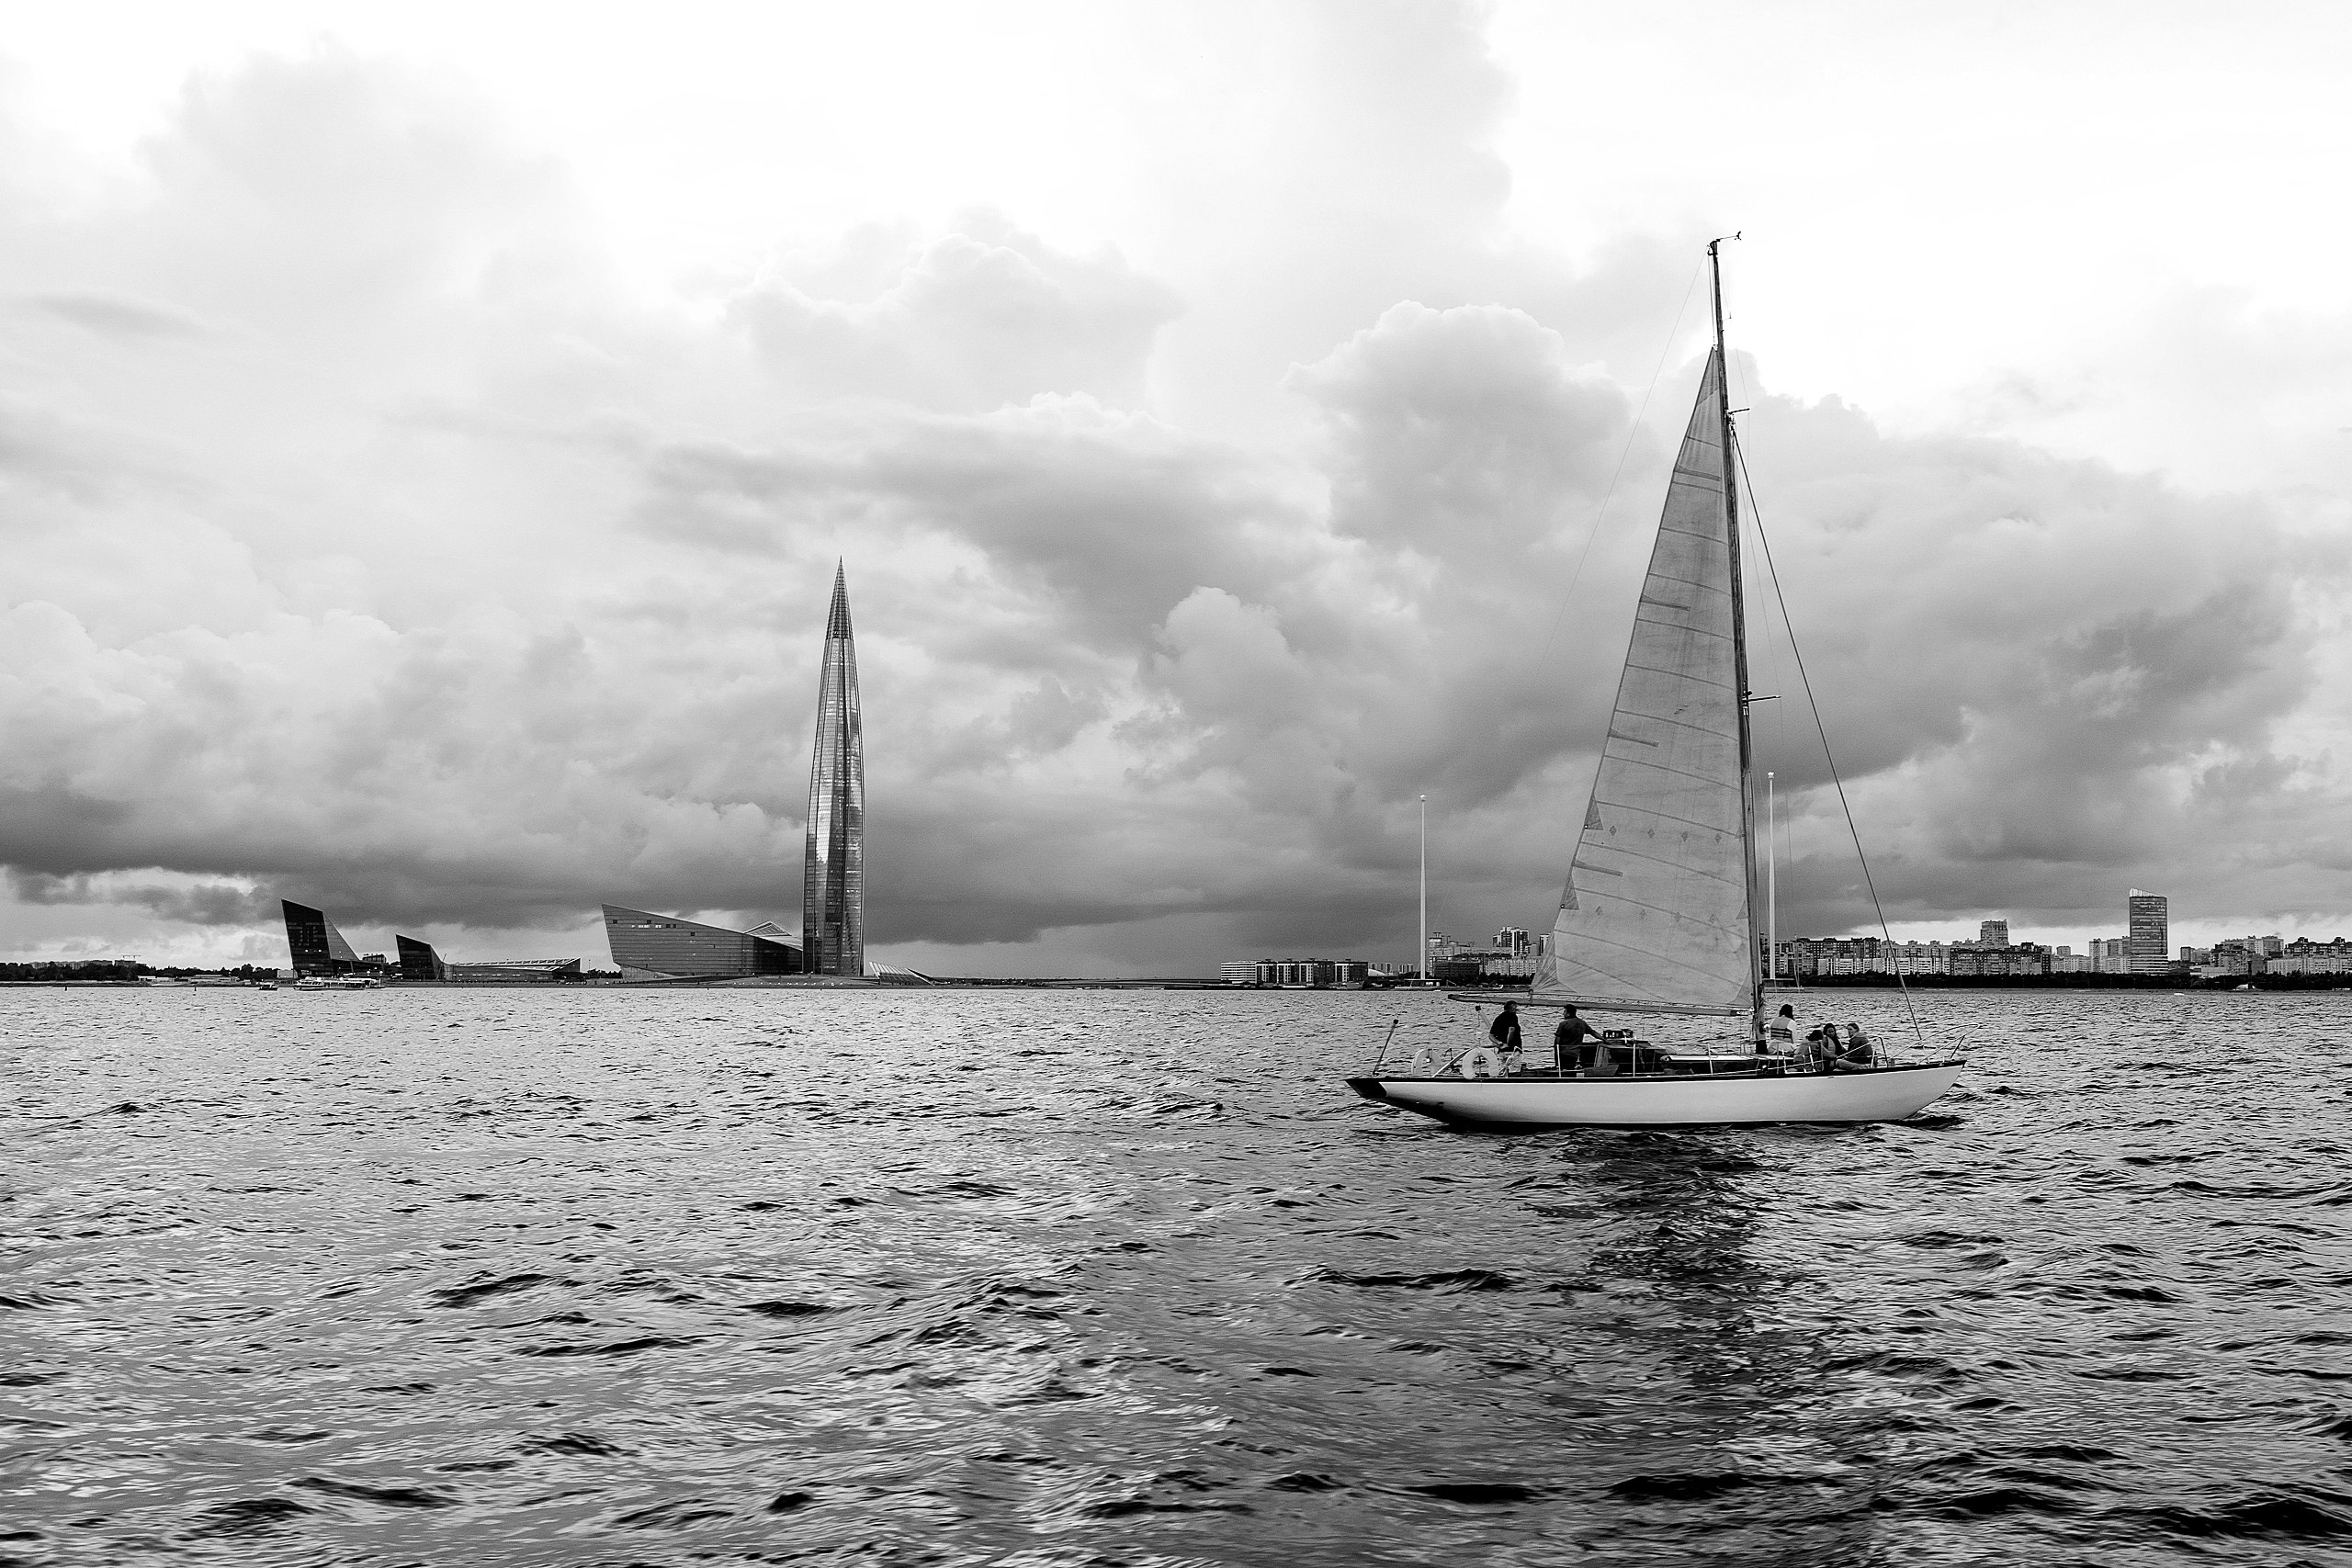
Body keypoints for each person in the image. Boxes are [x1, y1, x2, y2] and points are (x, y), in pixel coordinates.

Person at [1555, 1005, 1600, 1075]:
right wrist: (1604, 1039)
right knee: (1570, 1070)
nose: (1563, 1014)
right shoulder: (1582, 1023)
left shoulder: (1563, 1024)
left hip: (1563, 1052)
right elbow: (1593, 1033)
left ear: (1568, 1013)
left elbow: (1557, 1040)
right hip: (1575, 1053)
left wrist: (1556, 1053)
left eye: (1564, 1012)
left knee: (1563, 1070)